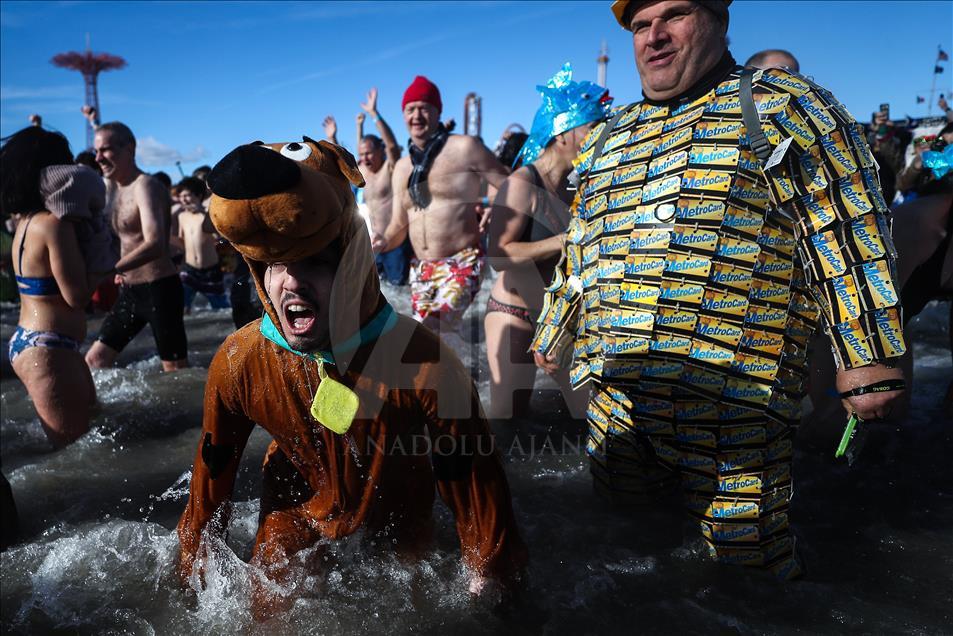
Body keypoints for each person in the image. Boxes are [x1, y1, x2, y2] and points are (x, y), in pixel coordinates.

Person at [531, 0, 907, 580]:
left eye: (673, 15)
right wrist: (556, 324)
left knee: (746, 569)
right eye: (639, 25)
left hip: (737, 401)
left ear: (718, 20)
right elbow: (584, 244)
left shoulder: (781, 105)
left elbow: (846, 225)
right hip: (618, 400)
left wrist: (871, 357)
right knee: (623, 547)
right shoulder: (611, 134)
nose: (653, 36)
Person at [177, 137, 527, 619]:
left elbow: (479, 505)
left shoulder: (424, 363)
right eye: (274, 266)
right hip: (297, 500)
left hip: (398, 500)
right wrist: (190, 574)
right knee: (268, 611)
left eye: (315, 263)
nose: (291, 282)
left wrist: (494, 595)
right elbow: (209, 487)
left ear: (354, 262)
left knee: (419, 601)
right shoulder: (240, 361)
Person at [485, 64, 609, 419]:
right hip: (515, 314)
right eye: (592, 129)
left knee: (591, 418)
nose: (599, 138)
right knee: (509, 425)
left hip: (560, 317)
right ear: (564, 132)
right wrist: (564, 240)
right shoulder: (523, 182)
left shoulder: (576, 186)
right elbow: (499, 254)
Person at [372, 76, 508, 336]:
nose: (417, 115)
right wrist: (381, 241)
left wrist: (494, 204)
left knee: (433, 328)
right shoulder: (402, 168)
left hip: (462, 260)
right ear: (403, 115)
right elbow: (399, 226)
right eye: (410, 109)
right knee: (425, 342)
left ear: (438, 111)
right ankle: (462, 376)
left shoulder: (464, 148)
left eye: (424, 107)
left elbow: (510, 183)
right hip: (422, 269)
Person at [1, 127, 96, 447]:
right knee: (75, 454)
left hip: (36, 343)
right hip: (49, 350)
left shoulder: (25, 222)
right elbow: (78, 296)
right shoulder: (53, 225)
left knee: (91, 431)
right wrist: (108, 266)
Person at [84, 122, 189, 371]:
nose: (98, 157)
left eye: (105, 150)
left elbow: (156, 244)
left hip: (160, 289)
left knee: (176, 371)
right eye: (96, 151)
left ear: (129, 149)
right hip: (130, 291)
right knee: (95, 360)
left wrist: (110, 269)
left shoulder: (146, 186)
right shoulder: (110, 189)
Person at [354, 88, 410, 285]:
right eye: (362, 155)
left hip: (396, 242)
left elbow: (393, 146)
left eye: (369, 153)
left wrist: (374, 114)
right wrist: (358, 126)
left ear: (380, 151)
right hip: (374, 244)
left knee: (400, 290)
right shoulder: (364, 171)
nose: (365, 158)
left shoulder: (390, 168)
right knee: (379, 293)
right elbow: (356, 154)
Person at [176, 176, 230, 312]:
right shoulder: (182, 216)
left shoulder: (209, 214)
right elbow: (182, 241)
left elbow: (219, 237)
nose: (183, 199)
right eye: (181, 196)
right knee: (182, 305)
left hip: (210, 269)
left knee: (221, 308)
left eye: (187, 195)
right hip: (189, 270)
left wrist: (202, 213)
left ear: (198, 195)